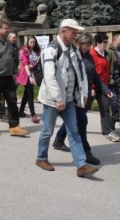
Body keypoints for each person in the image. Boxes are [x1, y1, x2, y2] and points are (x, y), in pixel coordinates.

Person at [36, 19, 99, 177]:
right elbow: (49, 76)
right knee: (47, 131)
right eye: (73, 32)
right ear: (64, 31)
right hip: (53, 101)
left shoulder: (74, 50)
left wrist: (83, 93)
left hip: (70, 99)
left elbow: (81, 73)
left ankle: (81, 164)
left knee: (74, 131)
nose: (76, 35)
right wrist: (58, 98)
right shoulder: (51, 50)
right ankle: (41, 158)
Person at [53, 32, 111, 165]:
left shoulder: (89, 56)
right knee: (82, 123)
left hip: (84, 96)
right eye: (84, 44)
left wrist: (105, 89)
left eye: (88, 44)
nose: (86, 46)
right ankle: (86, 152)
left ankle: (59, 139)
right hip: (73, 96)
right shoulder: (73, 55)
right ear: (78, 43)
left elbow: (95, 75)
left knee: (74, 121)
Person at [0, 18, 29, 136]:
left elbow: (11, 59)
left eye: (8, 28)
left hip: (8, 77)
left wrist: (14, 72)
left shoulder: (8, 42)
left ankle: (14, 126)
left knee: (12, 102)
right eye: (5, 28)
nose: (8, 30)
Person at [89, 33, 119, 141]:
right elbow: (90, 73)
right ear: (98, 43)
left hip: (103, 87)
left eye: (107, 42)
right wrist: (91, 87)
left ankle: (107, 132)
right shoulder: (91, 54)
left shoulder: (105, 53)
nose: (106, 44)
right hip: (92, 87)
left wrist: (106, 88)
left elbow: (105, 71)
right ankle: (65, 132)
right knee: (83, 110)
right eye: (104, 42)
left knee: (105, 108)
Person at [16, 35, 41, 123]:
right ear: (28, 42)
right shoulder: (24, 51)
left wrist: (33, 66)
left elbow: (36, 62)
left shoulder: (36, 51)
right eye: (31, 42)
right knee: (30, 94)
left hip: (33, 73)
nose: (32, 44)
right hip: (26, 74)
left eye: (34, 42)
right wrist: (30, 76)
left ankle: (21, 111)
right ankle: (33, 114)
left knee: (26, 94)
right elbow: (25, 64)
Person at [107, 33, 120, 124]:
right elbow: (107, 66)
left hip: (118, 79)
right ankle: (111, 126)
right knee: (114, 103)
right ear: (115, 40)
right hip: (113, 80)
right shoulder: (110, 51)